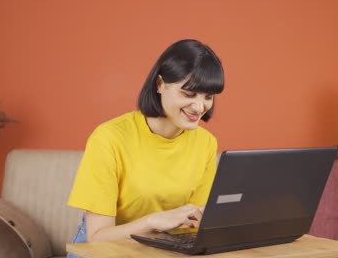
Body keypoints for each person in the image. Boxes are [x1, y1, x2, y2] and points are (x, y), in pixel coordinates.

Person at [66, 39, 224, 257]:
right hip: (105, 251)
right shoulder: (109, 138)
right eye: (188, 94)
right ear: (160, 84)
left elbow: (195, 222)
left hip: (160, 250)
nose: (199, 107)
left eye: (208, 97)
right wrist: (152, 221)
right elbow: (96, 237)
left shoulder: (206, 143)